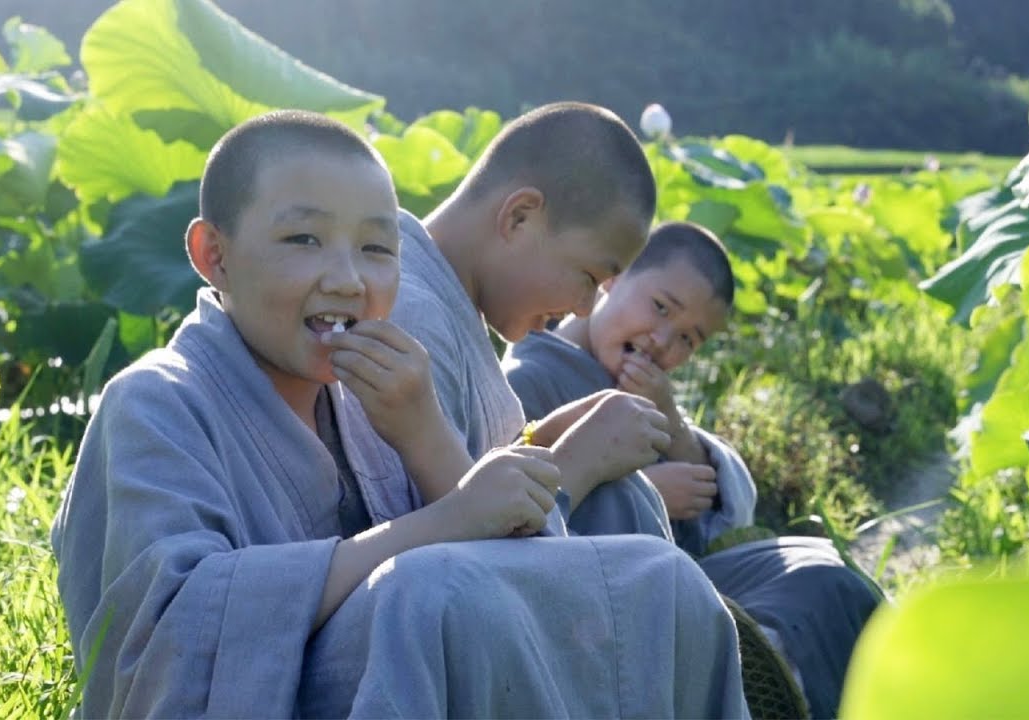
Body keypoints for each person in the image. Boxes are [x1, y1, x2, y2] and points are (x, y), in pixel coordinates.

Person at [52, 110, 749, 718]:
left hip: (403, 667)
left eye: (378, 249)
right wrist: (441, 520)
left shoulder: (368, 398)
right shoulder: (155, 401)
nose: (349, 279)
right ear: (214, 255)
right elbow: (175, 641)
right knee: (432, 590)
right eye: (304, 241)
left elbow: (514, 566)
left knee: (665, 583)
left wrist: (425, 437)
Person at [502, 220, 883, 719]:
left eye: (688, 338)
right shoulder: (529, 379)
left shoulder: (645, 387)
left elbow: (728, 505)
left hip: (685, 575)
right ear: (613, 277)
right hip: (605, 603)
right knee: (791, 618)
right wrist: (646, 492)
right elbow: (509, 519)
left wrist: (674, 425)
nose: (663, 341)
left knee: (824, 572)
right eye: (661, 308)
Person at [356, 100, 680, 536]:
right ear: (519, 217)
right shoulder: (409, 313)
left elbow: (455, 480)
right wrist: (579, 460)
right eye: (588, 277)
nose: (585, 309)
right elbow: (421, 555)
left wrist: (540, 440)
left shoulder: (450, 302)